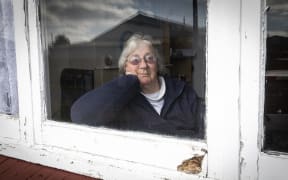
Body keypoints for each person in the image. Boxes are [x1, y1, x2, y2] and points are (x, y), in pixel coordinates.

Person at [71, 33, 204, 138]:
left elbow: (207, 131)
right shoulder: (120, 100)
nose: (144, 65)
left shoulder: (182, 91)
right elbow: (80, 116)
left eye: (150, 59)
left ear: (157, 64)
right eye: (135, 60)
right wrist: (129, 81)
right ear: (125, 66)